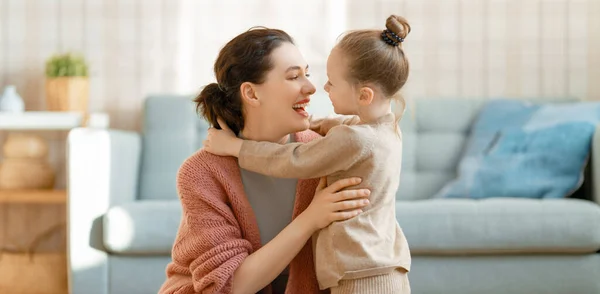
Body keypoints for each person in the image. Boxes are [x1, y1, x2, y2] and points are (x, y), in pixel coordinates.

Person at [203, 15, 412, 294]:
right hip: (381, 268)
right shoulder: (386, 130)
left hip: (361, 274)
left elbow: (293, 159)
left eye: (330, 82)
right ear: (251, 93)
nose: (317, 88)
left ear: (364, 96)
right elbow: (346, 129)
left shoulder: (349, 142)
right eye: (294, 76)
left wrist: (234, 147)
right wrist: (317, 123)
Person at [158, 27, 372, 294]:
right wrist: (310, 219)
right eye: (294, 76)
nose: (311, 87)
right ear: (251, 94)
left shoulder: (325, 154)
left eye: (307, 73)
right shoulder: (202, 172)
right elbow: (229, 285)